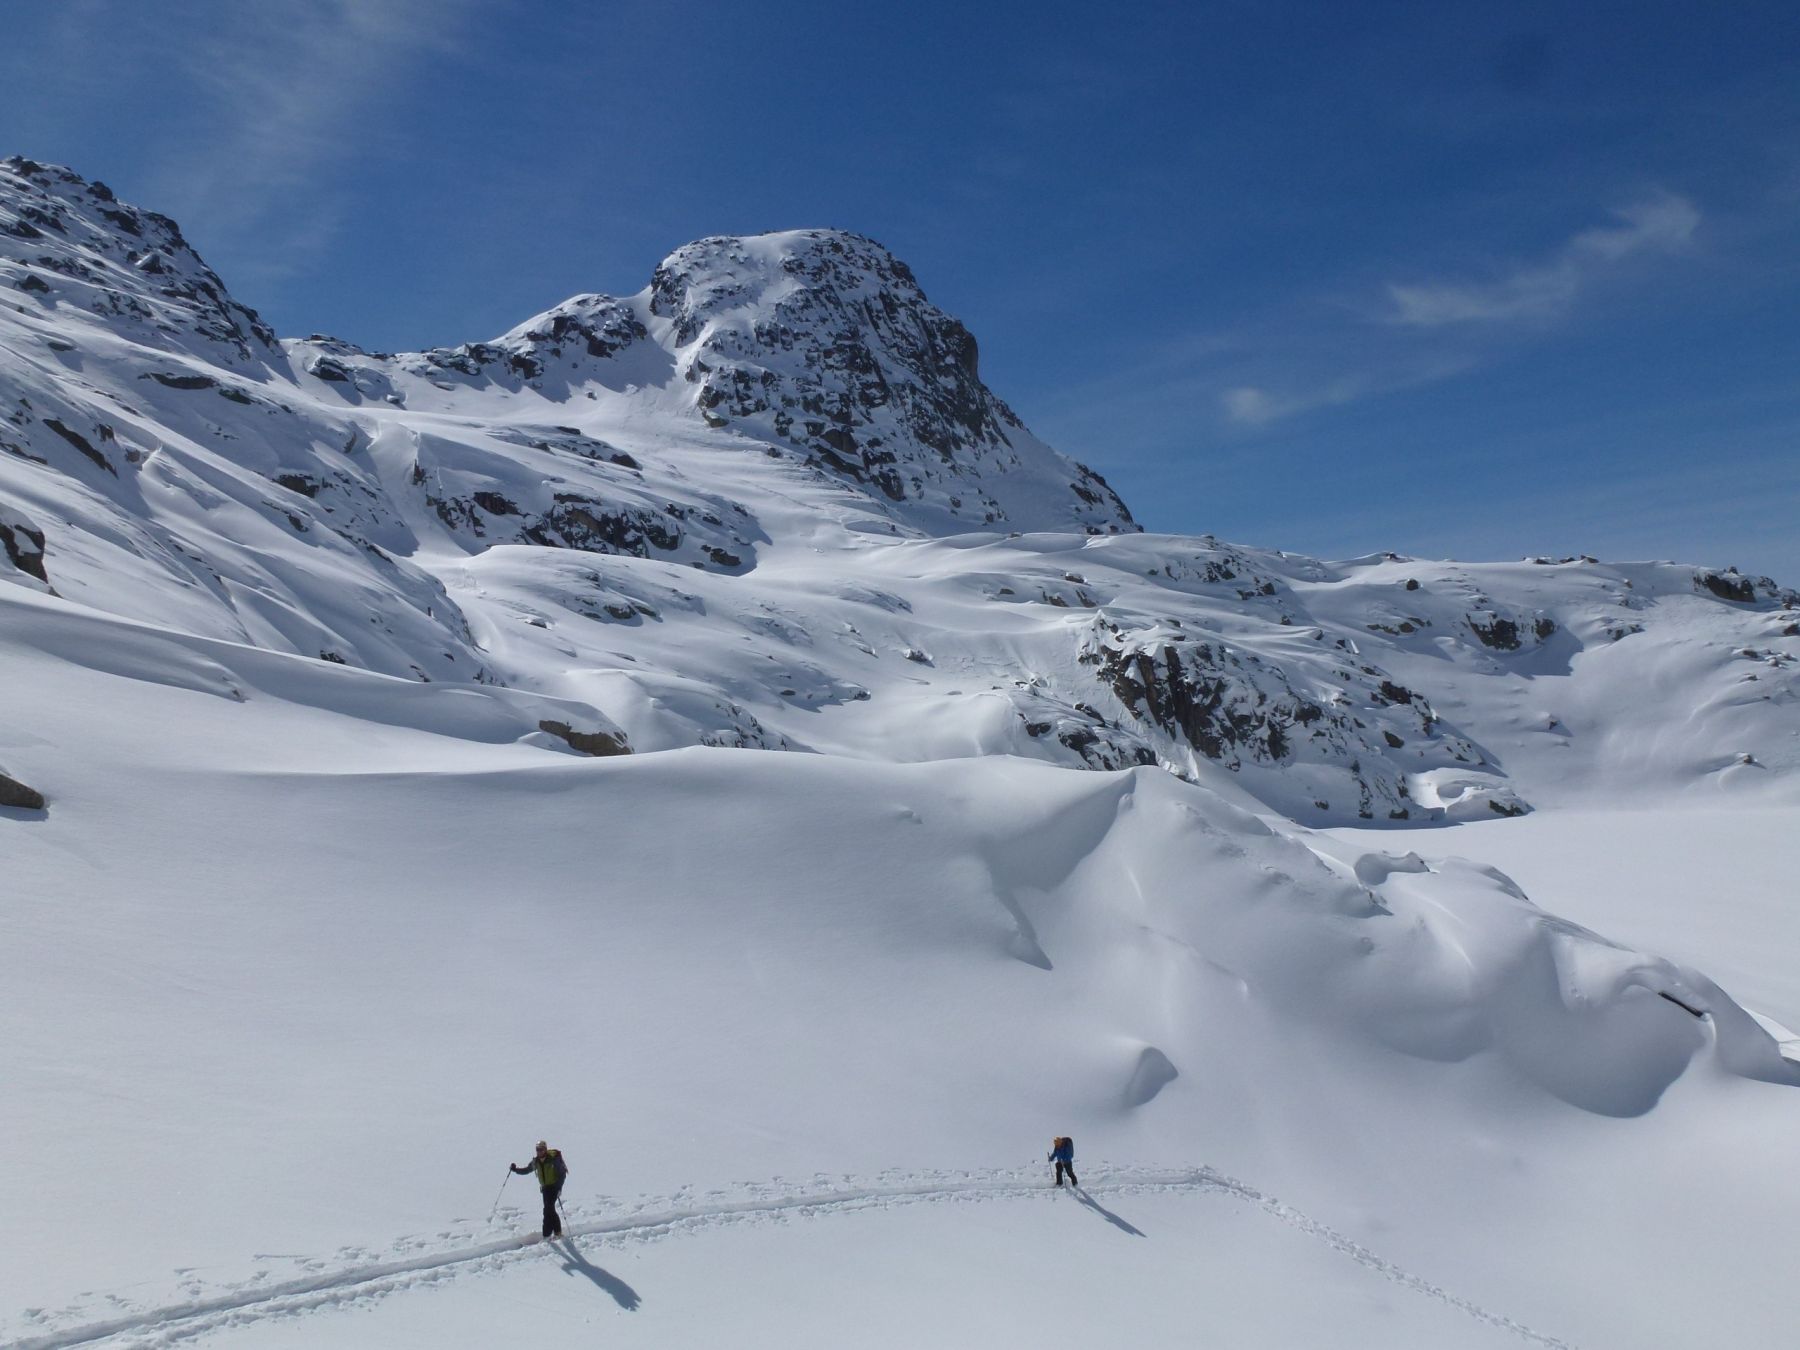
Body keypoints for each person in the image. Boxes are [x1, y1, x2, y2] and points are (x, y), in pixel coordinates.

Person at [511, 1140, 568, 1238]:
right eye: (537, 1149)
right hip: (545, 1189)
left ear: (545, 1149)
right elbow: (527, 1170)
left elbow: (562, 1174)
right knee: (549, 1210)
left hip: (554, 1187)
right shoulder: (536, 1161)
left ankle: (547, 1234)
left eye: (541, 1149)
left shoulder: (553, 1159)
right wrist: (516, 1170)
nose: (539, 1151)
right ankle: (557, 1232)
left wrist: (559, 1188)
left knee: (548, 1209)